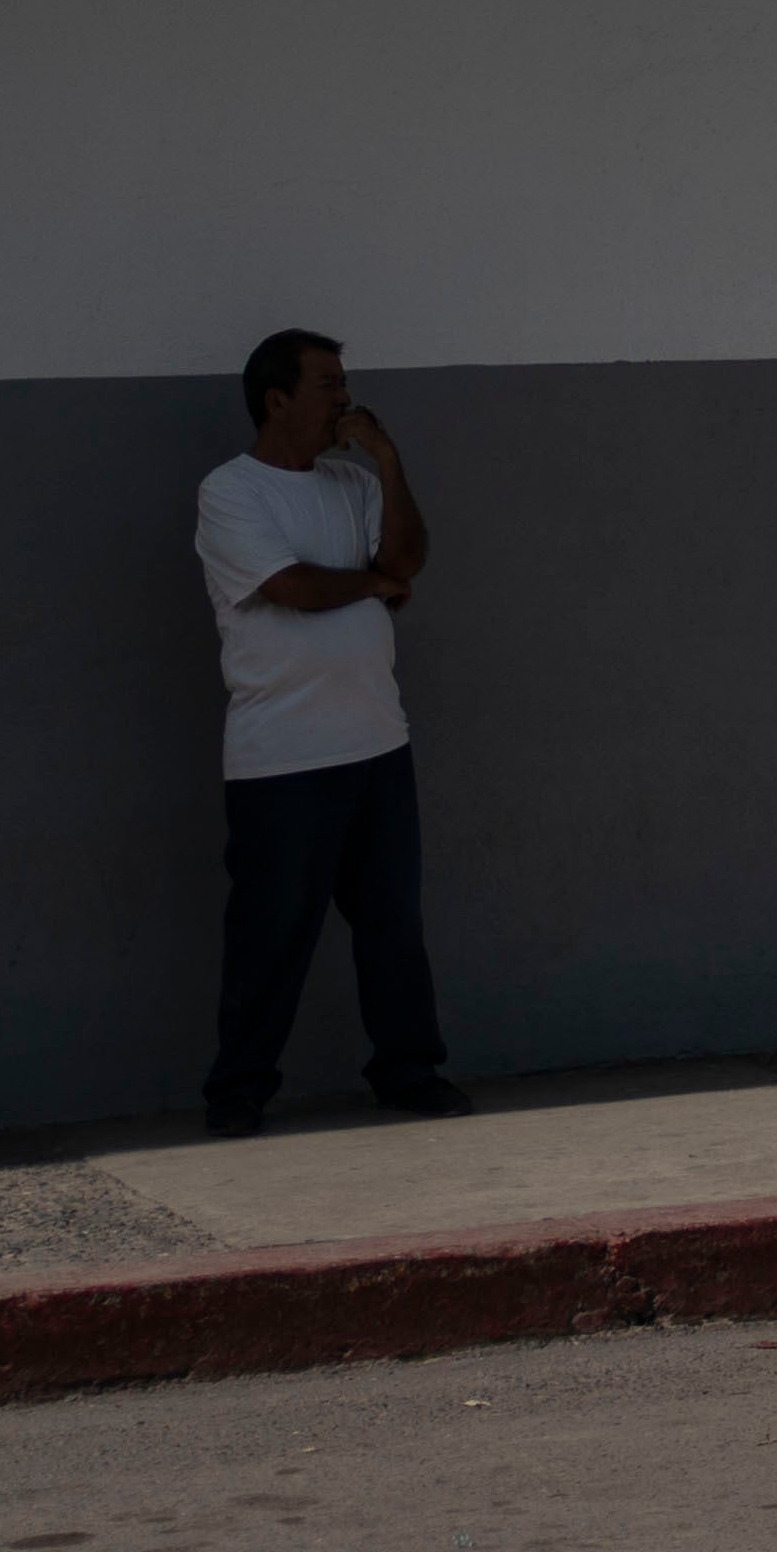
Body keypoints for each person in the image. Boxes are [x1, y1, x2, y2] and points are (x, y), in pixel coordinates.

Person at [195, 331, 461, 1140]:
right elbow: (290, 586)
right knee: (270, 936)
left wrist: (386, 461)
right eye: (328, 384)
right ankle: (238, 1093)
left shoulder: (351, 483)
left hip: (378, 746)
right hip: (283, 761)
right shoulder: (231, 493)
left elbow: (408, 559)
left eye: (345, 384)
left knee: (392, 929)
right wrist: (373, 585)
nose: (344, 398)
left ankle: (410, 1073)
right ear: (278, 400)